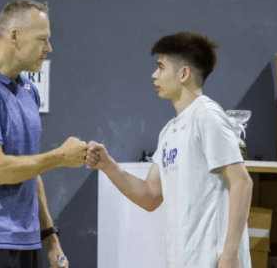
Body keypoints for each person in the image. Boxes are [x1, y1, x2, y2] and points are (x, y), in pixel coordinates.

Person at [85, 32, 253, 268]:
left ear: (183, 73)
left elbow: (242, 183)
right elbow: (150, 196)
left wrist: (230, 255)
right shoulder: (169, 131)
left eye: (161, 68)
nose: (154, 75)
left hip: (214, 261)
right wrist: (107, 166)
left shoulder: (207, 116)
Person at [0, 0, 86, 268]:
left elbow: (30, 169)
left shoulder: (28, 91)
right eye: (42, 39)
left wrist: (51, 240)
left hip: (27, 243)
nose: (49, 48)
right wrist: (59, 157)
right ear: (14, 36)